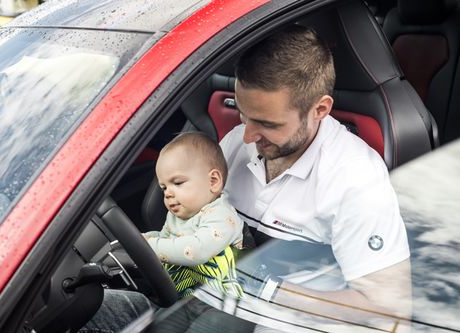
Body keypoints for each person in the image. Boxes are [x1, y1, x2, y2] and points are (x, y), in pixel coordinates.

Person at [81, 23, 411, 333]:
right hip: (206, 295)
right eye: (242, 114)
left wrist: (269, 290)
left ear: (320, 110)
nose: (248, 135)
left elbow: (387, 311)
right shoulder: (238, 142)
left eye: (267, 124)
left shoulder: (356, 180)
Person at [143, 131, 245, 298]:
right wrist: (142, 240)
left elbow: (196, 251)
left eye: (177, 183)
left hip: (222, 303)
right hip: (185, 296)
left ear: (213, 181)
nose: (168, 193)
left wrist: (149, 245)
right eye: (164, 187)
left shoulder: (222, 216)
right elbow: (164, 240)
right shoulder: (176, 216)